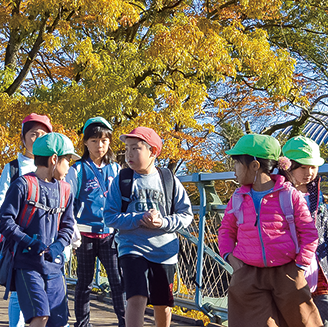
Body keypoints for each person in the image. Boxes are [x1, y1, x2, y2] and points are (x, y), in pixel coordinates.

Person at [218, 133, 321, 326]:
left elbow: (309, 232)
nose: (234, 171)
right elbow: (226, 230)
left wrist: (300, 265)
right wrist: (230, 258)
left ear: (255, 165)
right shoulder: (238, 197)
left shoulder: (289, 195)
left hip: (287, 270)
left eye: (238, 164)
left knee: (303, 321)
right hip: (248, 272)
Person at [104, 127, 193, 327]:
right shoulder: (122, 180)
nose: (129, 154)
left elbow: (186, 215)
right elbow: (109, 216)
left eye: (135, 148)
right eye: (127, 148)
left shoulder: (168, 179)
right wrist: (137, 219)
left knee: (163, 304)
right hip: (131, 247)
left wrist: (163, 222)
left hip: (164, 251)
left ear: (153, 152)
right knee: (136, 297)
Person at [0, 132, 77, 327]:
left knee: (58, 321)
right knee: (39, 316)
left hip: (54, 267)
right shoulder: (22, 185)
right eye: (68, 160)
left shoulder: (65, 190)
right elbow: (6, 222)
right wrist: (30, 242)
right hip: (27, 265)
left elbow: (68, 225)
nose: (69, 166)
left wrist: (58, 246)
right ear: (54, 159)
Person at [0, 113, 52, 327]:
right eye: (33, 134)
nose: (37, 139)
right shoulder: (14, 167)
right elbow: (0, 204)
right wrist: (1, 236)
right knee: (17, 291)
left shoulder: (55, 167)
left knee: (47, 287)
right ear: (23, 137)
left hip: (47, 240)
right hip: (18, 240)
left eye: (43, 135)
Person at [65, 117, 125, 327]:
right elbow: (68, 203)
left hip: (110, 234)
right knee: (84, 283)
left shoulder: (117, 169)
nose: (99, 145)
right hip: (84, 234)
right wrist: (71, 232)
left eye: (104, 140)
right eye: (94, 140)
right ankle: (82, 323)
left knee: (118, 281)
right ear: (85, 142)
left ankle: (125, 322)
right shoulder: (77, 169)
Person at [284, 136, 328, 326]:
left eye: (313, 167)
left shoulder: (317, 194)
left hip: (319, 266)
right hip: (292, 265)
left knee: (323, 313)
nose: (309, 172)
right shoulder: (278, 194)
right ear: (289, 166)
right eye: (303, 167)